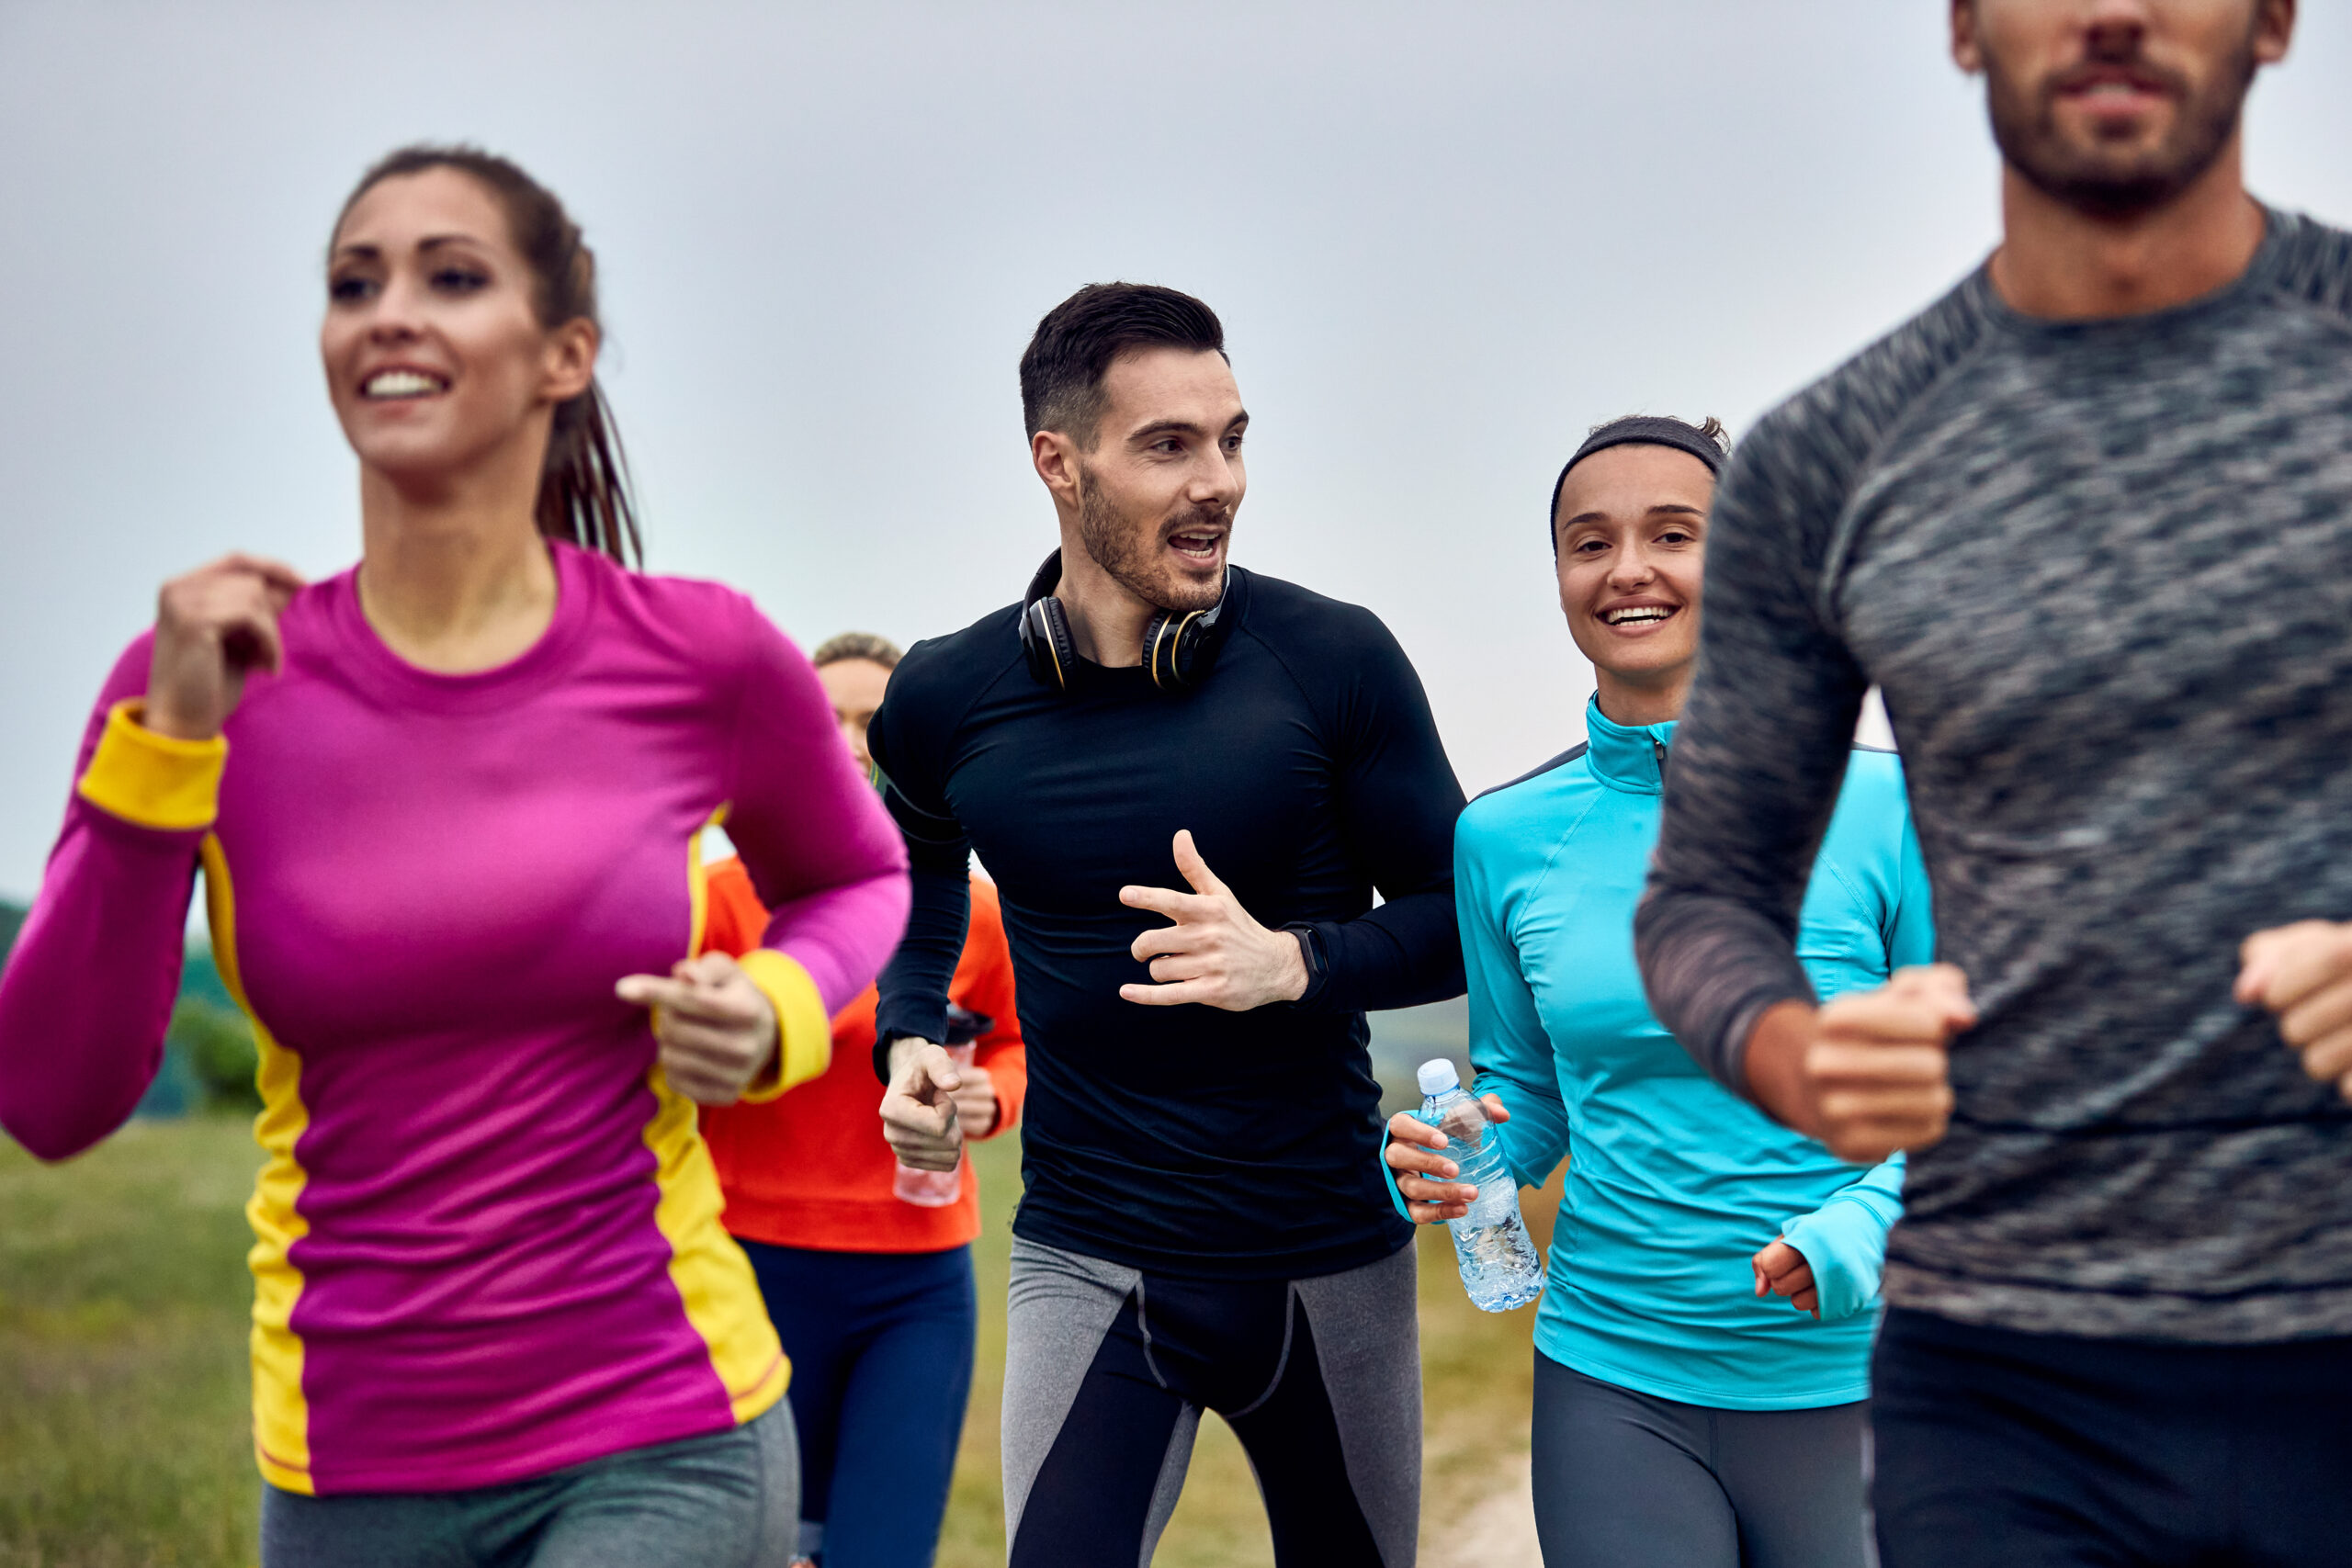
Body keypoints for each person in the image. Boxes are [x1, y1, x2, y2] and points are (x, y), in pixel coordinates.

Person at [0, 145, 910, 1567]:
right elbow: (51, 1098)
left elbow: (859, 878)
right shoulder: (200, 680)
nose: (389, 312)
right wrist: (161, 750)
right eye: (354, 282)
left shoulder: (700, 653)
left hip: (662, 1426)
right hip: (345, 1459)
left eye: (452, 275)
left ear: (563, 353)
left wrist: (780, 1008)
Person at [1632, 5, 2352, 1564]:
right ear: (1963, 25)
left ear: (2279, 19)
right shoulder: (1831, 453)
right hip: (2008, 1390)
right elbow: (1704, 894)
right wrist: (1792, 1046)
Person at [866, 283, 1464, 1568]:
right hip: (1091, 1254)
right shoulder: (945, 696)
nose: (1220, 482)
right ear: (1058, 463)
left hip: (1325, 1259)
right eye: (1169, 445)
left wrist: (1294, 960)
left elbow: (1459, 924)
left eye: (1232, 438)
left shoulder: (1332, 660)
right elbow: (914, 893)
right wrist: (910, 1038)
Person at [1384, 415, 1928, 1568]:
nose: (1627, 568)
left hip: (1864, 1378)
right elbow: (1529, 1094)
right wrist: (1460, 1149)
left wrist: (1857, 1230)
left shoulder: (1887, 811)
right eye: (1590, 543)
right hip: (1612, 1383)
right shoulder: (1502, 838)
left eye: (1671, 534)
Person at [697, 630, 1025, 1568]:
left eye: (871, 724)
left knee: (881, 1552)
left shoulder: (975, 914)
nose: (847, 742)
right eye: (824, 719)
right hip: (749, 1270)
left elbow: (1016, 1050)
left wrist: (986, 1100)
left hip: (916, 1288)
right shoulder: (719, 901)